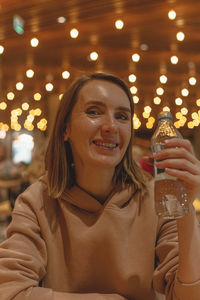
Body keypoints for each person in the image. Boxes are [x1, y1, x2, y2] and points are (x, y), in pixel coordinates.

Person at [0, 72, 200, 300]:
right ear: (65, 128)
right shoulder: (37, 201)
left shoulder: (153, 198)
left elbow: (189, 295)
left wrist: (186, 209)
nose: (110, 126)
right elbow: (10, 292)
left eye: (122, 116)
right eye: (94, 112)